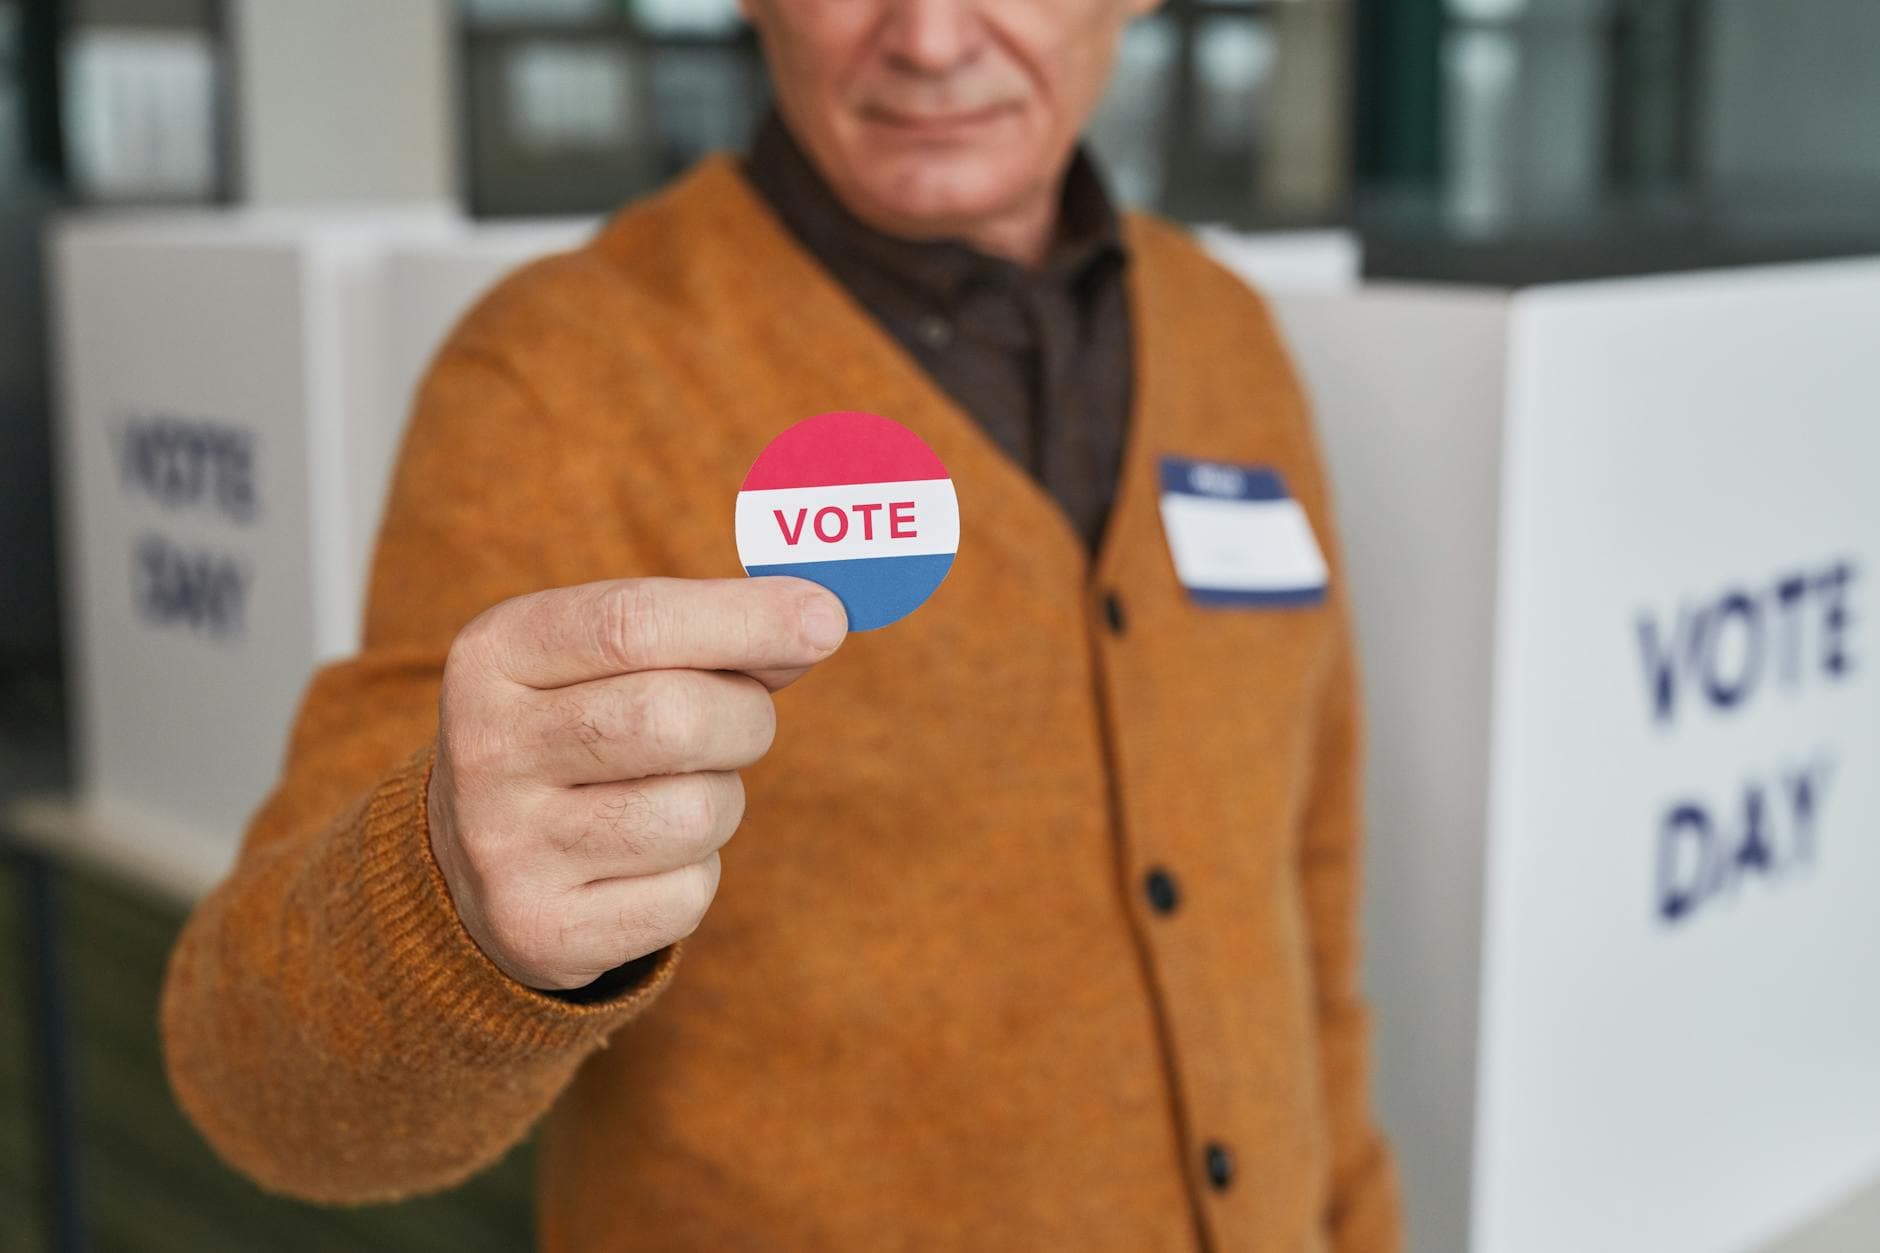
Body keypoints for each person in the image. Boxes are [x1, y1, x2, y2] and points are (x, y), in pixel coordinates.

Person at [159, 1, 1403, 1248]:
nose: (925, 40)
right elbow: (256, 1087)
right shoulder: (560, 373)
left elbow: (1303, 891)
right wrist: (448, 908)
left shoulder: (1225, 336)